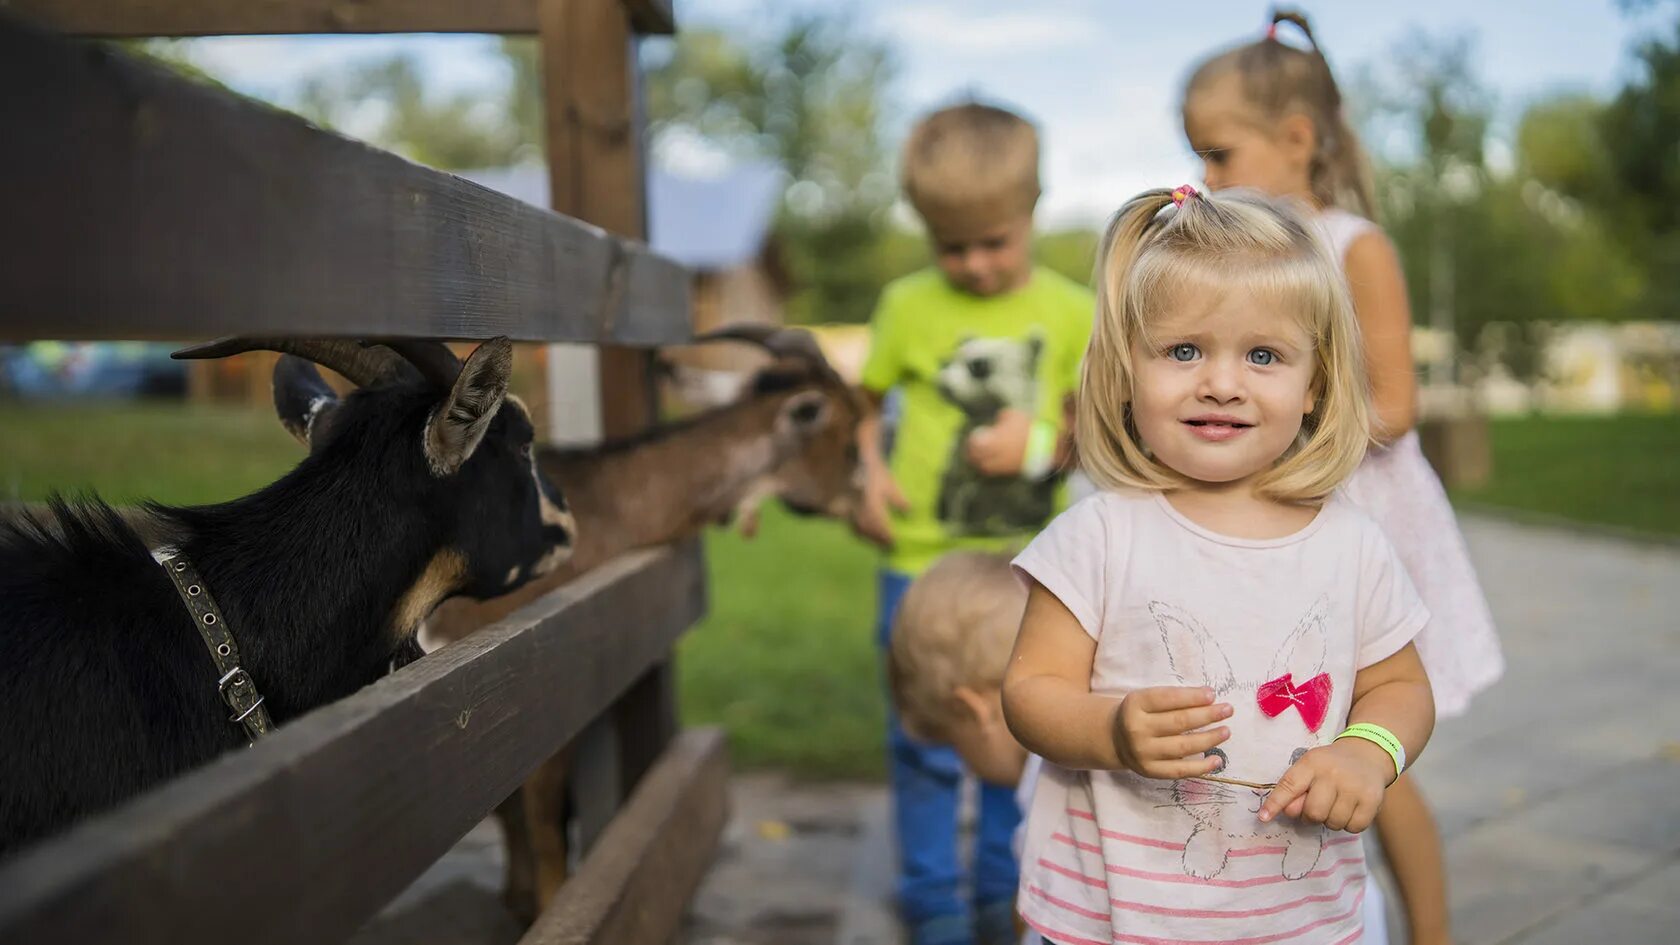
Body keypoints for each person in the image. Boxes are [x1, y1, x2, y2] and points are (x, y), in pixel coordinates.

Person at [1003, 185, 1436, 945]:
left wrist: (1372, 750)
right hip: (1113, 916)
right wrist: (1111, 730)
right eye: (1183, 350)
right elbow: (1031, 692)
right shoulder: (1101, 535)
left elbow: (1400, 685)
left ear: (1315, 386)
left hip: (1300, 919)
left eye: (1263, 354)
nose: (1222, 382)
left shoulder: (1353, 545)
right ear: (1126, 371)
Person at [1180, 12, 1504, 942]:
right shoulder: (1237, 250)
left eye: (1219, 152)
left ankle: (1430, 930)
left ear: (1294, 141)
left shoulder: (1351, 243)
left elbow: (1396, 401)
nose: (1206, 177)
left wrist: (1294, 425)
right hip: (1273, 521)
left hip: (1356, 519)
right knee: (1295, 738)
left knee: (1372, 748)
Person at [854, 101, 1095, 945]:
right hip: (919, 564)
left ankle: (1010, 883)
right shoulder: (907, 305)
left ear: (1031, 209)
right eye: (952, 247)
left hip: (1027, 571)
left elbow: (1095, 426)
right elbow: (865, 403)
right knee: (924, 731)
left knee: (1023, 728)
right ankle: (932, 899)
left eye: (995, 241)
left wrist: (1037, 444)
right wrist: (870, 470)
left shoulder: (1071, 311)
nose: (977, 264)